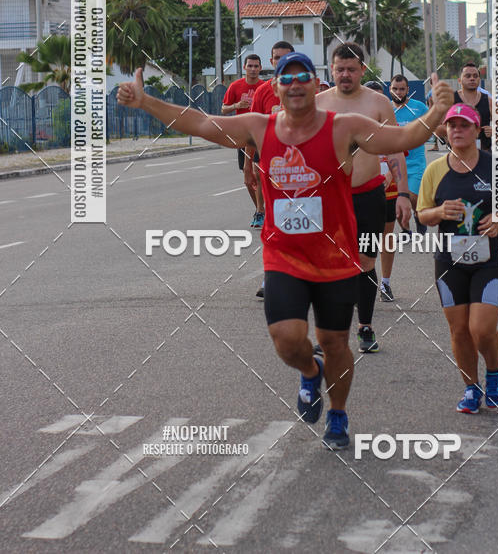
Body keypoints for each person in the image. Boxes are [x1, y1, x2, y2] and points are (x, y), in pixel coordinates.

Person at [117, 56, 454, 448]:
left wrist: (437, 112)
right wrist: (146, 102)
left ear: (316, 85)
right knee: (287, 339)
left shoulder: (344, 128)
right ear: (275, 88)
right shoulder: (258, 128)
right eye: (286, 78)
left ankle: (339, 414)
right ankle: (310, 373)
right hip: (284, 257)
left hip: (335, 259)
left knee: (335, 344)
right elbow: (200, 122)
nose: (295, 84)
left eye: (303, 78)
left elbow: (403, 139)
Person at [318, 45, 412, 352]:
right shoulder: (317, 103)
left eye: (352, 69)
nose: (345, 75)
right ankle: (330, 330)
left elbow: (397, 148)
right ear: (331, 69)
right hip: (329, 197)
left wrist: (403, 194)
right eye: (340, 69)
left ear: (362, 70)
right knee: (327, 264)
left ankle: (365, 326)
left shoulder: (379, 103)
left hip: (369, 194)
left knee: (365, 262)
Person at [417, 103, 498, 414]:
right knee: (459, 331)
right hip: (448, 262)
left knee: (481, 329)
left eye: (464, 125)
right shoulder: (434, 170)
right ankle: (471, 387)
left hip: (488, 262)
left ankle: (494, 371)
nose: (457, 130)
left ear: (476, 128)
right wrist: (440, 212)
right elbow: (422, 214)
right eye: (451, 125)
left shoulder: (494, 165)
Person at [245, 41, 294, 297]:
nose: (280, 62)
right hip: (270, 171)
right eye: (276, 58)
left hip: (303, 172)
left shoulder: (306, 90)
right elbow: (252, 131)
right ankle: (270, 277)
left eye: (286, 57)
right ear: (272, 61)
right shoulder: (263, 92)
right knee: (272, 227)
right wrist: (248, 166)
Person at [364, 80, 411, 302]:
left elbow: (399, 155)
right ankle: (362, 281)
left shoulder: (391, 128)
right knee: (362, 239)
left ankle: (386, 283)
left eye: (379, 98)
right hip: (363, 192)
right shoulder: (353, 128)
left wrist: (392, 175)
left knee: (386, 238)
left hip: (389, 192)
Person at [222, 54, 263, 227]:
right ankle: (260, 210)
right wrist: (236, 106)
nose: (253, 69)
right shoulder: (235, 86)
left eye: (256, 66)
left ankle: (261, 212)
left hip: (261, 137)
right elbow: (223, 109)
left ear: (260, 68)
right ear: (244, 67)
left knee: (260, 175)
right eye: (250, 66)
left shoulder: (265, 87)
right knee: (248, 179)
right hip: (243, 137)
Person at [389, 74, 429, 236]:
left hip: (415, 162)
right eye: (395, 89)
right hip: (394, 163)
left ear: (408, 90)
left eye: (402, 89)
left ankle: (418, 217)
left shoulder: (419, 107)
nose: (398, 92)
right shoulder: (386, 109)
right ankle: (406, 230)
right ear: (390, 89)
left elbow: (432, 123)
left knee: (412, 196)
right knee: (395, 201)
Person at [438, 62, 492, 151]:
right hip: (458, 154)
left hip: (484, 153)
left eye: (475, 76)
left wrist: (493, 130)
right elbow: (437, 128)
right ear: (459, 80)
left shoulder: (488, 101)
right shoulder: (450, 100)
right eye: (468, 76)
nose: (472, 79)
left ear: (479, 79)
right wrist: (456, 131)